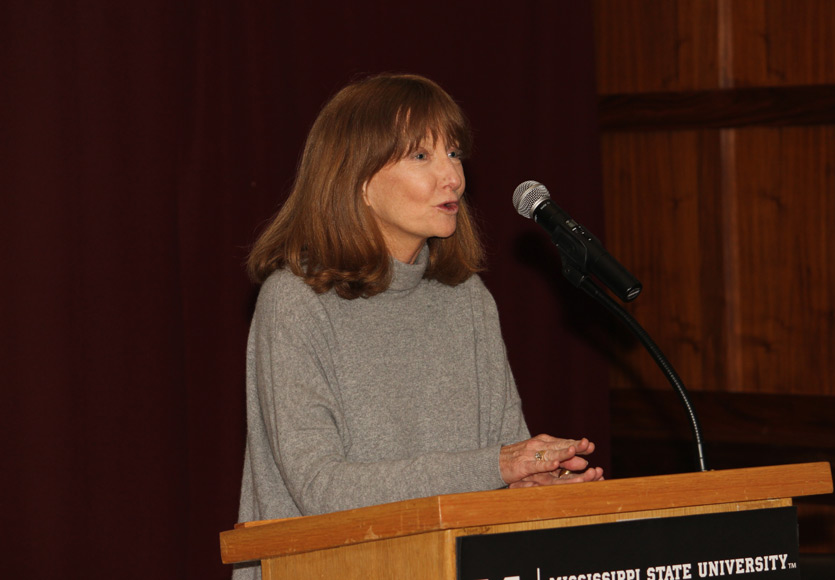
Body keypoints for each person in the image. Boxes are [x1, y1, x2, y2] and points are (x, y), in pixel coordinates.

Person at [233, 72, 604, 578]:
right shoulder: (297, 302)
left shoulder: (466, 299)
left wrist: (533, 481)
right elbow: (321, 491)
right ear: (358, 181)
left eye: (453, 153)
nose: (452, 177)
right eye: (422, 157)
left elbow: (502, 452)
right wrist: (497, 467)